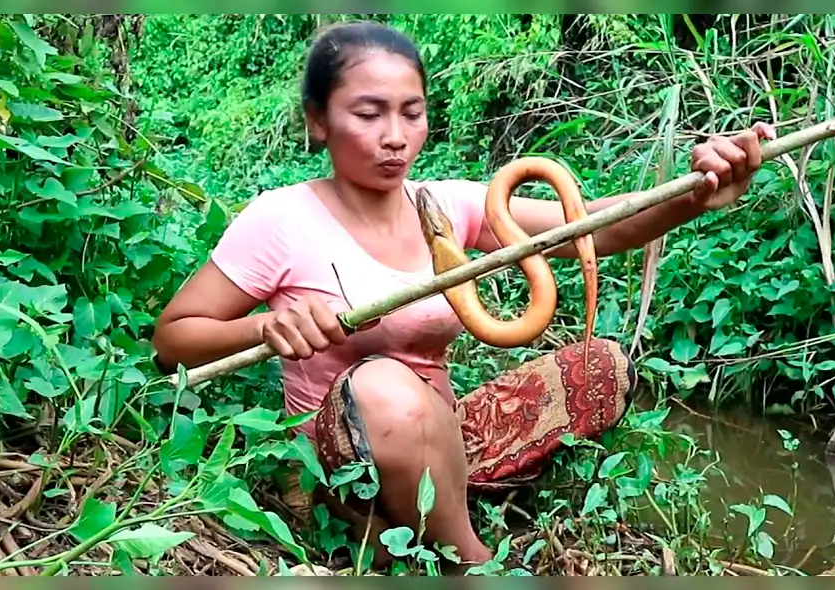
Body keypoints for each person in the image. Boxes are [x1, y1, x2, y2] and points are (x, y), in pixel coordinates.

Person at [152, 20, 775, 570]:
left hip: (443, 435)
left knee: (599, 367)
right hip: (342, 463)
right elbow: (172, 339)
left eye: (412, 112)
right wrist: (264, 328)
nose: (394, 136)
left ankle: (440, 501)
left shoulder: (445, 206)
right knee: (384, 384)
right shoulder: (279, 219)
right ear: (319, 121)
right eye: (368, 115)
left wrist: (695, 193)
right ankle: (468, 561)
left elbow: (593, 228)